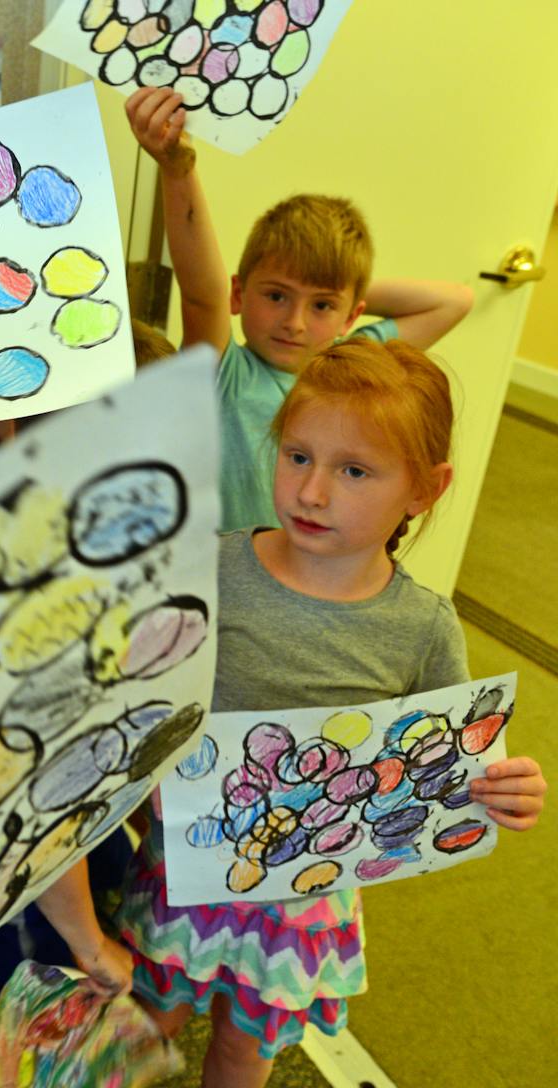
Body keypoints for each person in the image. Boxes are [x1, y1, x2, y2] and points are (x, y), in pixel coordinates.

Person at [112, 339, 547, 1086]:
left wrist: (503, 785)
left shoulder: (422, 627)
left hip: (305, 895)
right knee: (143, 1022)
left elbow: (449, 768)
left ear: (424, 489)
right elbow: (137, 696)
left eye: (353, 471)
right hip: (184, 863)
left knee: (244, 1050)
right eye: (298, 456)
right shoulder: (210, 568)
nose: (311, 493)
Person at [125, 87, 474, 533]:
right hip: (224, 581)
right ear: (238, 295)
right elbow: (200, 293)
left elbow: (453, 302)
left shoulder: (354, 371)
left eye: (322, 305)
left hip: (312, 578)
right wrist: (177, 171)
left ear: (352, 315)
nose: (295, 322)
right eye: (276, 296)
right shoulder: (223, 370)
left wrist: (341, 290)